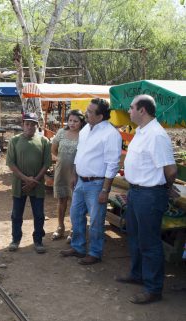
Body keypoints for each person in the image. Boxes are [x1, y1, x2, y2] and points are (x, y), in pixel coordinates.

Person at [115, 95, 177, 304]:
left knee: (149, 242)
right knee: (135, 237)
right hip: (137, 192)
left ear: (142, 110)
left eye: (132, 107)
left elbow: (171, 170)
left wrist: (164, 190)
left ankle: (153, 288)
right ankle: (138, 274)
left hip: (150, 195)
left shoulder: (157, 135)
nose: (129, 110)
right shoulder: (142, 131)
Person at [60, 98, 122, 265]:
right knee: (76, 214)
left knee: (96, 220)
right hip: (81, 180)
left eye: (89, 112)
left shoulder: (111, 134)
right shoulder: (87, 128)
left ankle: (95, 252)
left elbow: (112, 164)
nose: (85, 113)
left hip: (97, 184)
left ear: (100, 116)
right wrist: (74, 174)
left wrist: (105, 190)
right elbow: (79, 153)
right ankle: (78, 247)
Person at [6, 113, 51, 253]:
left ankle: (38, 240)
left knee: (39, 214)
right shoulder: (14, 141)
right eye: (27, 124)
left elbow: (46, 163)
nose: (30, 127)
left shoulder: (44, 141)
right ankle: (15, 239)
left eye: (33, 124)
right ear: (22, 125)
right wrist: (26, 179)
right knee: (16, 214)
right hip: (19, 184)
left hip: (37, 185)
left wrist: (34, 180)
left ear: (37, 126)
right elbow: (10, 163)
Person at [51, 110, 86, 242]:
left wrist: (75, 173)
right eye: (70, 120)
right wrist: (57, 159)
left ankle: (73, 229)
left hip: (76, 173)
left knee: (75, 203)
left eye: (75, 121)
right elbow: (53, 150)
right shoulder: (61, 133)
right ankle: (60, 227)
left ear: (81, 122)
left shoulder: (84, 135)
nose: (72, 123)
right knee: (61, 200)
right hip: (61, 172)